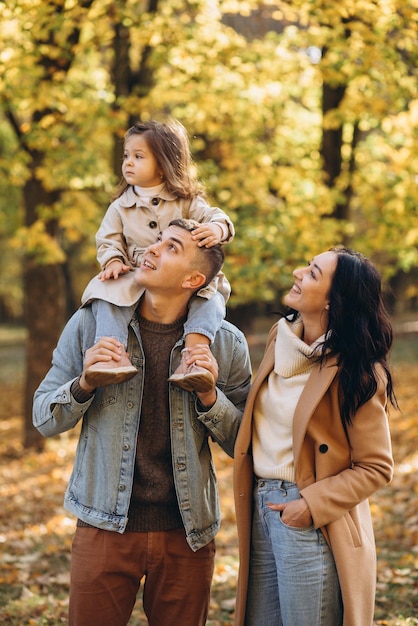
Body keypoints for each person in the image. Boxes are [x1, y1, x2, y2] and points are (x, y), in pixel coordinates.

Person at [33, 219, 252, 626]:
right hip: (103, 524)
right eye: (156, 240)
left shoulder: (226, 343)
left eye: (171, 247)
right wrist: (84, 384)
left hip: (187, 533)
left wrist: (209, 395)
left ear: (194, 278)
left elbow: (247, 444)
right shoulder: (90, 326)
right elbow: (43, 417)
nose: (151, 250)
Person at [233, 247, 397, 626]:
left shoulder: (358, 371)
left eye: (312, 273)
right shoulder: (280, 338)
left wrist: (310, 504)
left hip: (310, 516)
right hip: (259, 505)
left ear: (331, 301)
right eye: (306, 266)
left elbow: (376, 466)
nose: (297, 273)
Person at [81, 119, 234, 392]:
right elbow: (108, 239)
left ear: (163, 165)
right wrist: (114, 261)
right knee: (106, 293)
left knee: (209, 300)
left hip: (182, 276)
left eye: (138, 157)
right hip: (136, 273)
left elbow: (215, 216)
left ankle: (194, 358)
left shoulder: (187, 201)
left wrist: (216, 228)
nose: (128, 162)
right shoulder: (119, 207)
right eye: (126, 156)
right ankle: (111, 355)